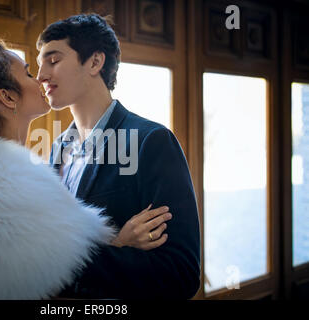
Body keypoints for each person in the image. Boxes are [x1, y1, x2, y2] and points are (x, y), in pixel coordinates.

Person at [0, 39, 172, 299]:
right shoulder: (3, 185)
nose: (40, 78)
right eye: (29, 73)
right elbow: (58, 285)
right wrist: (119, 244)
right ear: (7, 97)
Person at [36, 14, 201, 299]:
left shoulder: (151, 141)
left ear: (95, 62)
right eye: (40, 65)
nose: (41, 76)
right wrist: (115, 245)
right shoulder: (58, 148)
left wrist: (84, 259)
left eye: (53, 60)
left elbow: (181, 273)